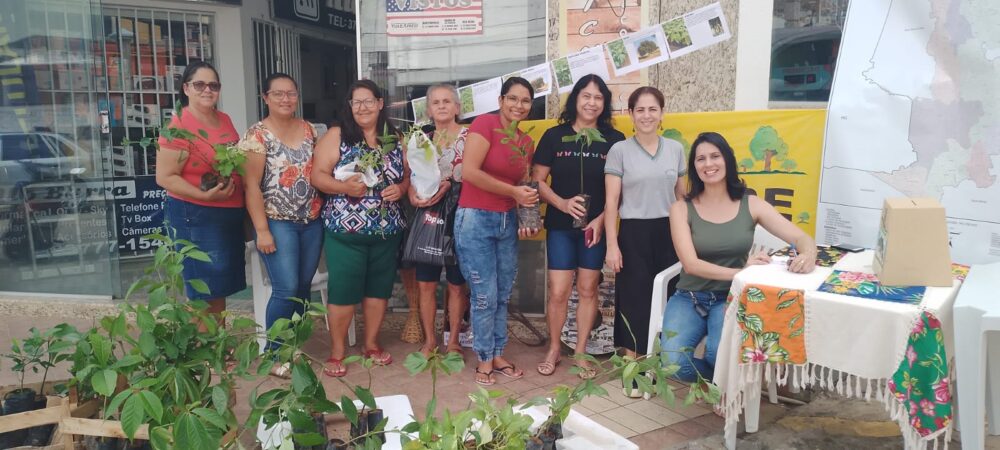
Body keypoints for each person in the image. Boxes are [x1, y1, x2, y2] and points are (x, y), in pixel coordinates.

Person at [663, 132, 816, 382]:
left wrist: (808, 254)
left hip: (731, 297)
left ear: (728, 160)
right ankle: (721, 386)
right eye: (700, 159)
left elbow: (801, 238)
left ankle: (724, 386)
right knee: (672, 363)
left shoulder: (751, 204)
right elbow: (691, 265)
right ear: (694, 168)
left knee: (716, 353)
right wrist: (742, 270)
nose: (708, 164)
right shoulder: (681, 209)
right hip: (689, 297)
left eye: (715, 156)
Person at [311, 79, 410, 377]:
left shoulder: (396, 138)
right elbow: (317, 176)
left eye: (369, 101)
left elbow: (407, 177)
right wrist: (343, 187)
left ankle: (371, 344)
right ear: (350, 107)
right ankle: (338, 350)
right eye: (357, 102)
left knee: (378, 290)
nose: (363, 107)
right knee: (343, 291)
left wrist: (401, 189)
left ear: (381, 104)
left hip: (386, 231)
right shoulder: (337, 136)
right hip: (345, 232)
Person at [532, 75, 625, 379]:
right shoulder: (554, 136)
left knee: (588, 288)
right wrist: (561, 203)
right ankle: (555, 347)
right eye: (586, 96)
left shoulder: (614, 140)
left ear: (604, 103)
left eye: (598, 98)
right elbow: (537, 181)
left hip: (595, 229)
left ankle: (582, 352)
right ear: (575, 100)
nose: (592, 102)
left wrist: (600, 220)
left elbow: (622, 189)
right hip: (560, 226)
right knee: (558, 291)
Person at [455, 76, 539, 386]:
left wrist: (526, 211)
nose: (519, 105)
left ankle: (498, 352)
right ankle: (484, 359)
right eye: (513, 98)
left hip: (506, 222)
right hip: (476, 219)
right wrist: (515, 193)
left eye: (525, 101)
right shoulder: (484, 125)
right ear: (501, 101)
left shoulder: (525, 143)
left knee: (503, 294)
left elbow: (521, 187)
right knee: (484, 296)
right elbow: (469, 172)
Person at [240, 73, 322, 378]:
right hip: (277, 222)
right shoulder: (257, 136)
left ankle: (292, 347)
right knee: (286, 288)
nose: (285, 99)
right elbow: (251, 186)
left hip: (311, 220)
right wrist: (262, 230)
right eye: (278, 94)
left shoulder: (310, 129)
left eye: (290, 93)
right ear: (265, 98)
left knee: (303, 289)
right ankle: (272, 354)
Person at [604, 86, 685, 384]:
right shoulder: (619, 151)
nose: (647, 115)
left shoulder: (675, 149)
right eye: (640, 110)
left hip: (669, 233)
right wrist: (612, 246)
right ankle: (633, 370)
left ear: (662, 113)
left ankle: (659, 366)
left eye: (653, 109)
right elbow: (611, 203)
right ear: (631, 114)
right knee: (635, 300)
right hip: (634, 234)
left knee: (668, 298)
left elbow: (681, 197)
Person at [156, 61, 243, 318]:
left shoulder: (223, 119)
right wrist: (204, 195)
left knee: (219, 284)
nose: (207, 90)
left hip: (227, 213)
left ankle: (218, 346)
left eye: (213, 85)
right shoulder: (178, 127)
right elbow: (165, 177)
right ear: (186, 88)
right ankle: (207, 350)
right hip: (196, 213)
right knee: (203, 286)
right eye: (199, 84)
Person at [407, 83, 470, 357]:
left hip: (461, 215)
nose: (442, 106)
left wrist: (450, 184)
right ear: (428, 109)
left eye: (447, 101)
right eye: (436, 102)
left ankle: (454, 340)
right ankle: (430, 340)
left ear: (457, 107)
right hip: (429, 215)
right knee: (426, 283)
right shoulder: (421, 140)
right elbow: (410, 177)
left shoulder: (471, 137)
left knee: (457, 282)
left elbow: (479, 174)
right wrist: (412, 195)